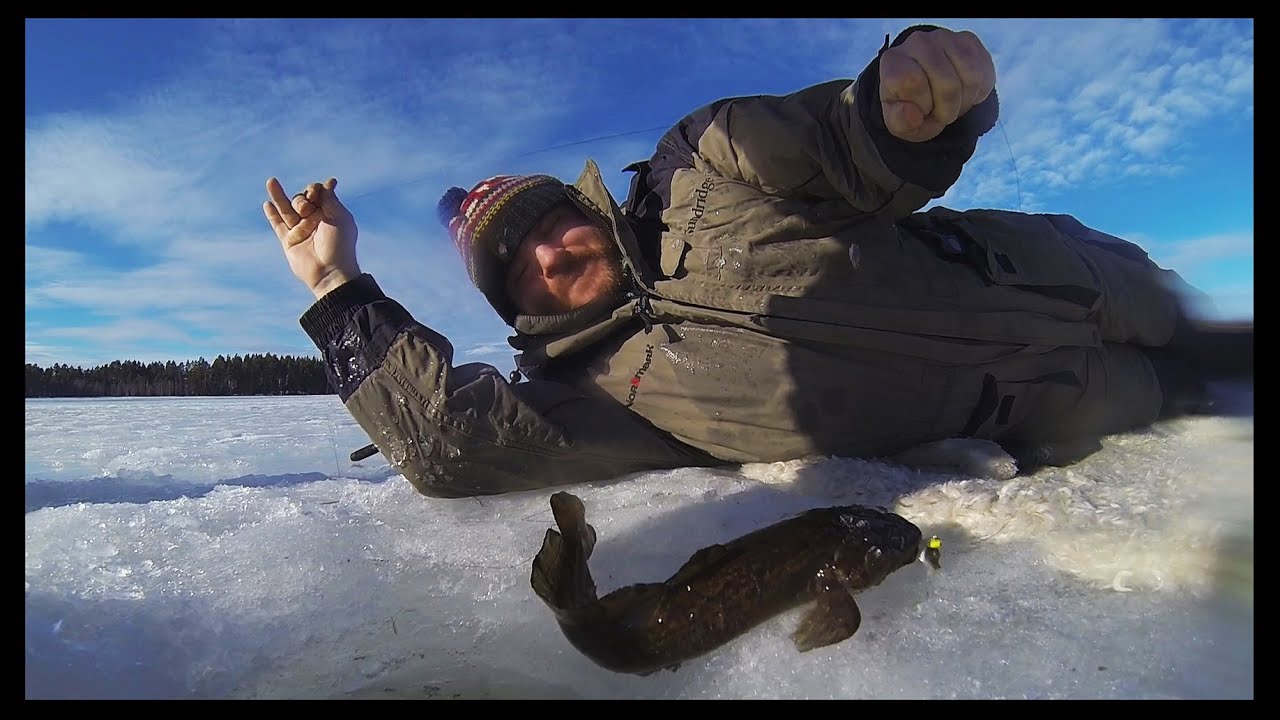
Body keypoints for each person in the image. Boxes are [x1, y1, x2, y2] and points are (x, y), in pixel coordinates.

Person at [263, 24, 1252, 499]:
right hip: (1058, 402)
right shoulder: (603, 400)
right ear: (514, 305)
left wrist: (899, 108)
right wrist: (335, 284)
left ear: (584, 208)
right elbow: (444, 447)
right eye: (515, 266)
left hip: (1064, 268)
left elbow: (834, 144)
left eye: (548, 223)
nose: (549, 254)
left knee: (1215, 334)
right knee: (1209, 398)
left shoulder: (704, 169)